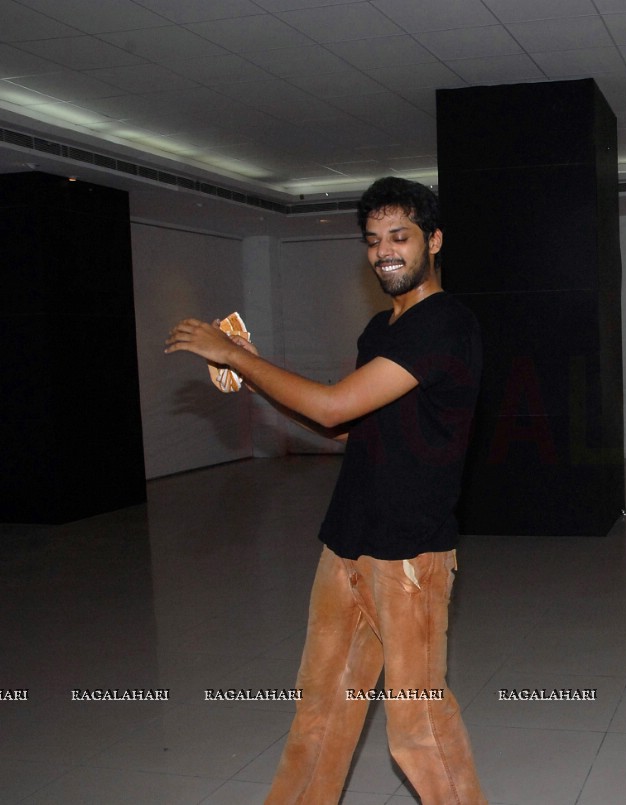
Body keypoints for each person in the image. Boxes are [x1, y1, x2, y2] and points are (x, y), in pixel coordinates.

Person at [166, 177, 487, 803]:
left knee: (417, 729)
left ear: (435, 240)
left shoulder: (446, 324)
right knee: (319, 715)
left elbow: (336, 406)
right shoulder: (379, 329)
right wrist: (252, 377)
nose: (385, 252)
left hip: (411, 558)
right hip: (345, 546)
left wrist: (236, 356)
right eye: (373, 241)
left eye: (400, 237)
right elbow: (343, 427)